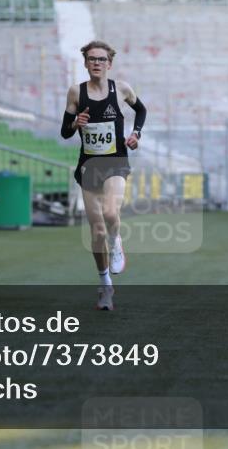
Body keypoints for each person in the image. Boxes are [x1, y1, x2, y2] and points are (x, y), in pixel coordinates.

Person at [61, 41, 147, 311]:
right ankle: (105, 285)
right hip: (89, 165)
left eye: (101, 59)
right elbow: (65, 131)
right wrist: (75, 123)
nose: (96, 63)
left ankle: (116, 241)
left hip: (116, 161)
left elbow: (141, 110)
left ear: (109, 63)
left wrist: (136, 134)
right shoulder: (76, 92)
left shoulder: (121, 89)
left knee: (111, 213)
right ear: (85, 63)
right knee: (97, 229)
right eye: (91, 59)